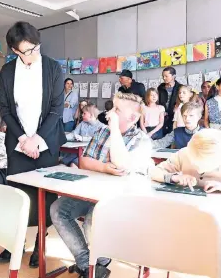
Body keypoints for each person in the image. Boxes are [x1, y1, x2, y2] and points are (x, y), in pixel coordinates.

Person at [50, 92, 153, 278]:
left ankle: (100, 262)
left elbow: (121, 164)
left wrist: (114, 129)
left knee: (93, 219)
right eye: (112, 107)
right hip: (92, 193)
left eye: (117, 110)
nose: (110, 112)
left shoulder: (142, 140)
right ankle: (87, 265)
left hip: (120, 200)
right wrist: (105, 167)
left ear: (133, 117)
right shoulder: (101, 131)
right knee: (58, 209)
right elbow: (84, 161)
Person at [0, 21, 67, 267]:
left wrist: (37, 139)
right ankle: (13, 241)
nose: (33, 54)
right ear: (15, 50)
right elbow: (5, 110)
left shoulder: (52, 68)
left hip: (46, 142)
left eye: (35, 47)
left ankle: (40, 242)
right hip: (18, 144)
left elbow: (57, 109)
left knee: (44, 196)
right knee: (18, 195)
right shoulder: (6, 71)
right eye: (27, 50)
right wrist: (23, 139)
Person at [62, 103, 105, 168]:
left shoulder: (101, 126)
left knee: (73, 165)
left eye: (84, 113)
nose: (82, 115)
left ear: (91, 115)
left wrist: (82, 138)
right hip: (77, 152)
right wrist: (62, 137)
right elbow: (74, 133)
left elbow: (95, 139)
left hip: (90, 154)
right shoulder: (82, 123)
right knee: (62, 163)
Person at [158, 67, 182, 135]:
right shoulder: (160, 88)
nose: (164, 78)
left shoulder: (180, 88)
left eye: (166, 76)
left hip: (175, 117)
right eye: (163, 76)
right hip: (163, 117)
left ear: (173, 76)